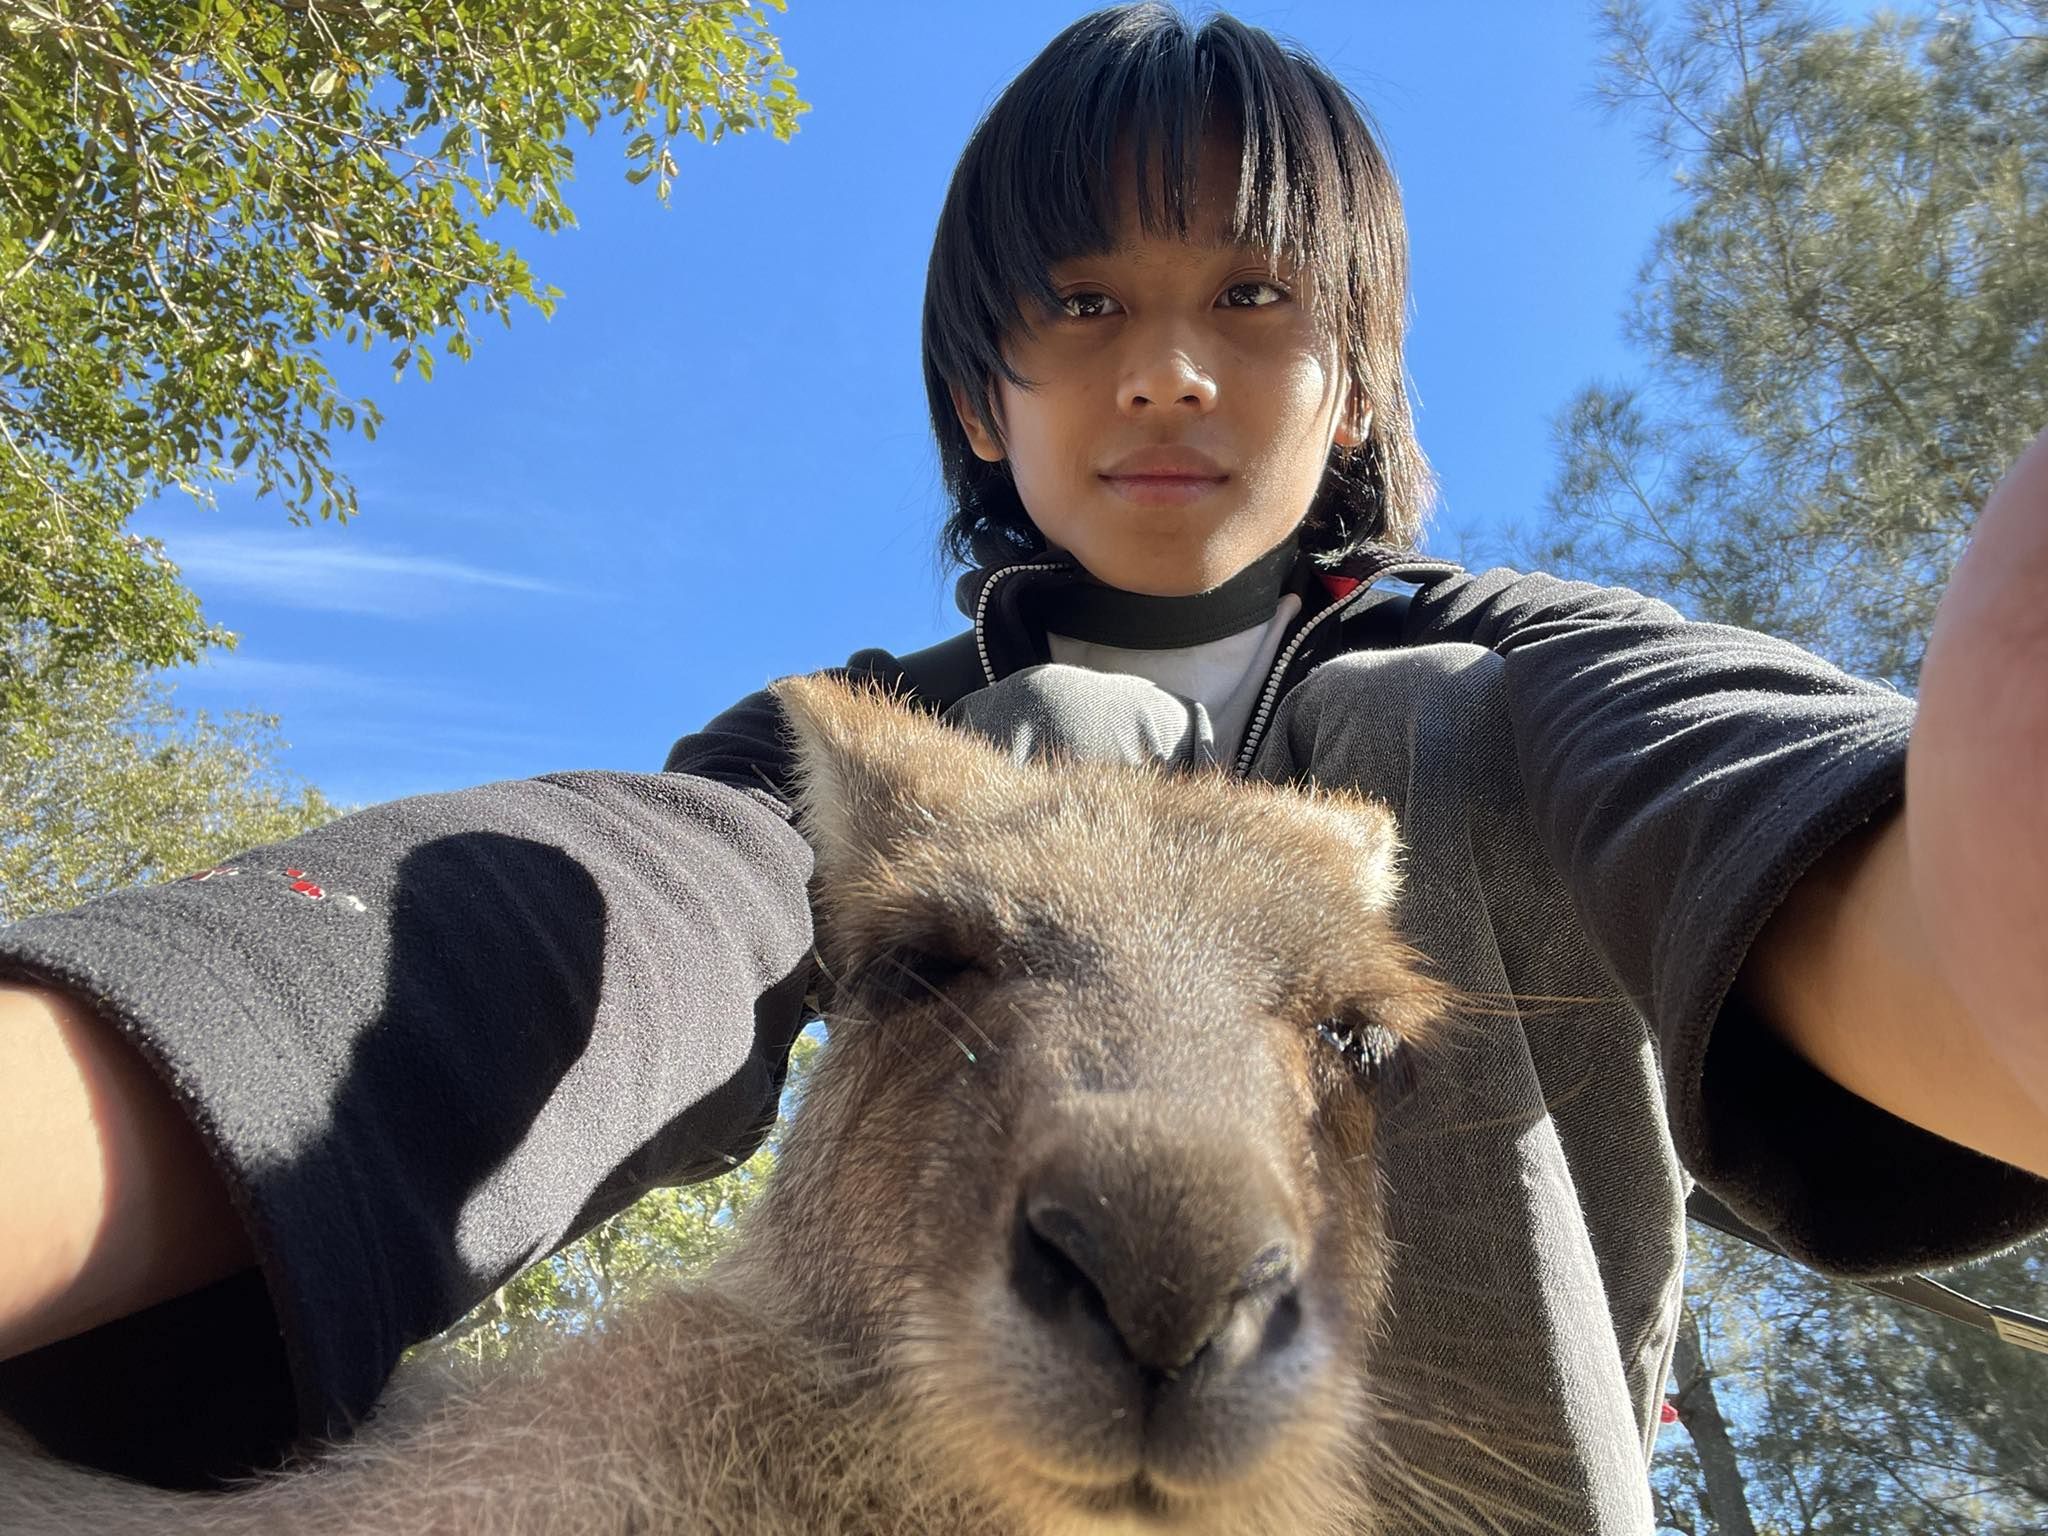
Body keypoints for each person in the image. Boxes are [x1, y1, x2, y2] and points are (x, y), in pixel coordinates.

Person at [1, 3, 2044, 1526]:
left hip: (1424, 1456)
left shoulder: (1522, 658)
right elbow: (608, 916)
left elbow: (1755, 822)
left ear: (1352, 388)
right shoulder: (875, 728)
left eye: (1253, 297)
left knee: (1412, 749)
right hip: (900, 1431)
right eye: (1086, 304)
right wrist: (127, 1092)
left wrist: (1972, 927)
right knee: (1047, 756)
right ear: (985, 399)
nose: (1168, 365)